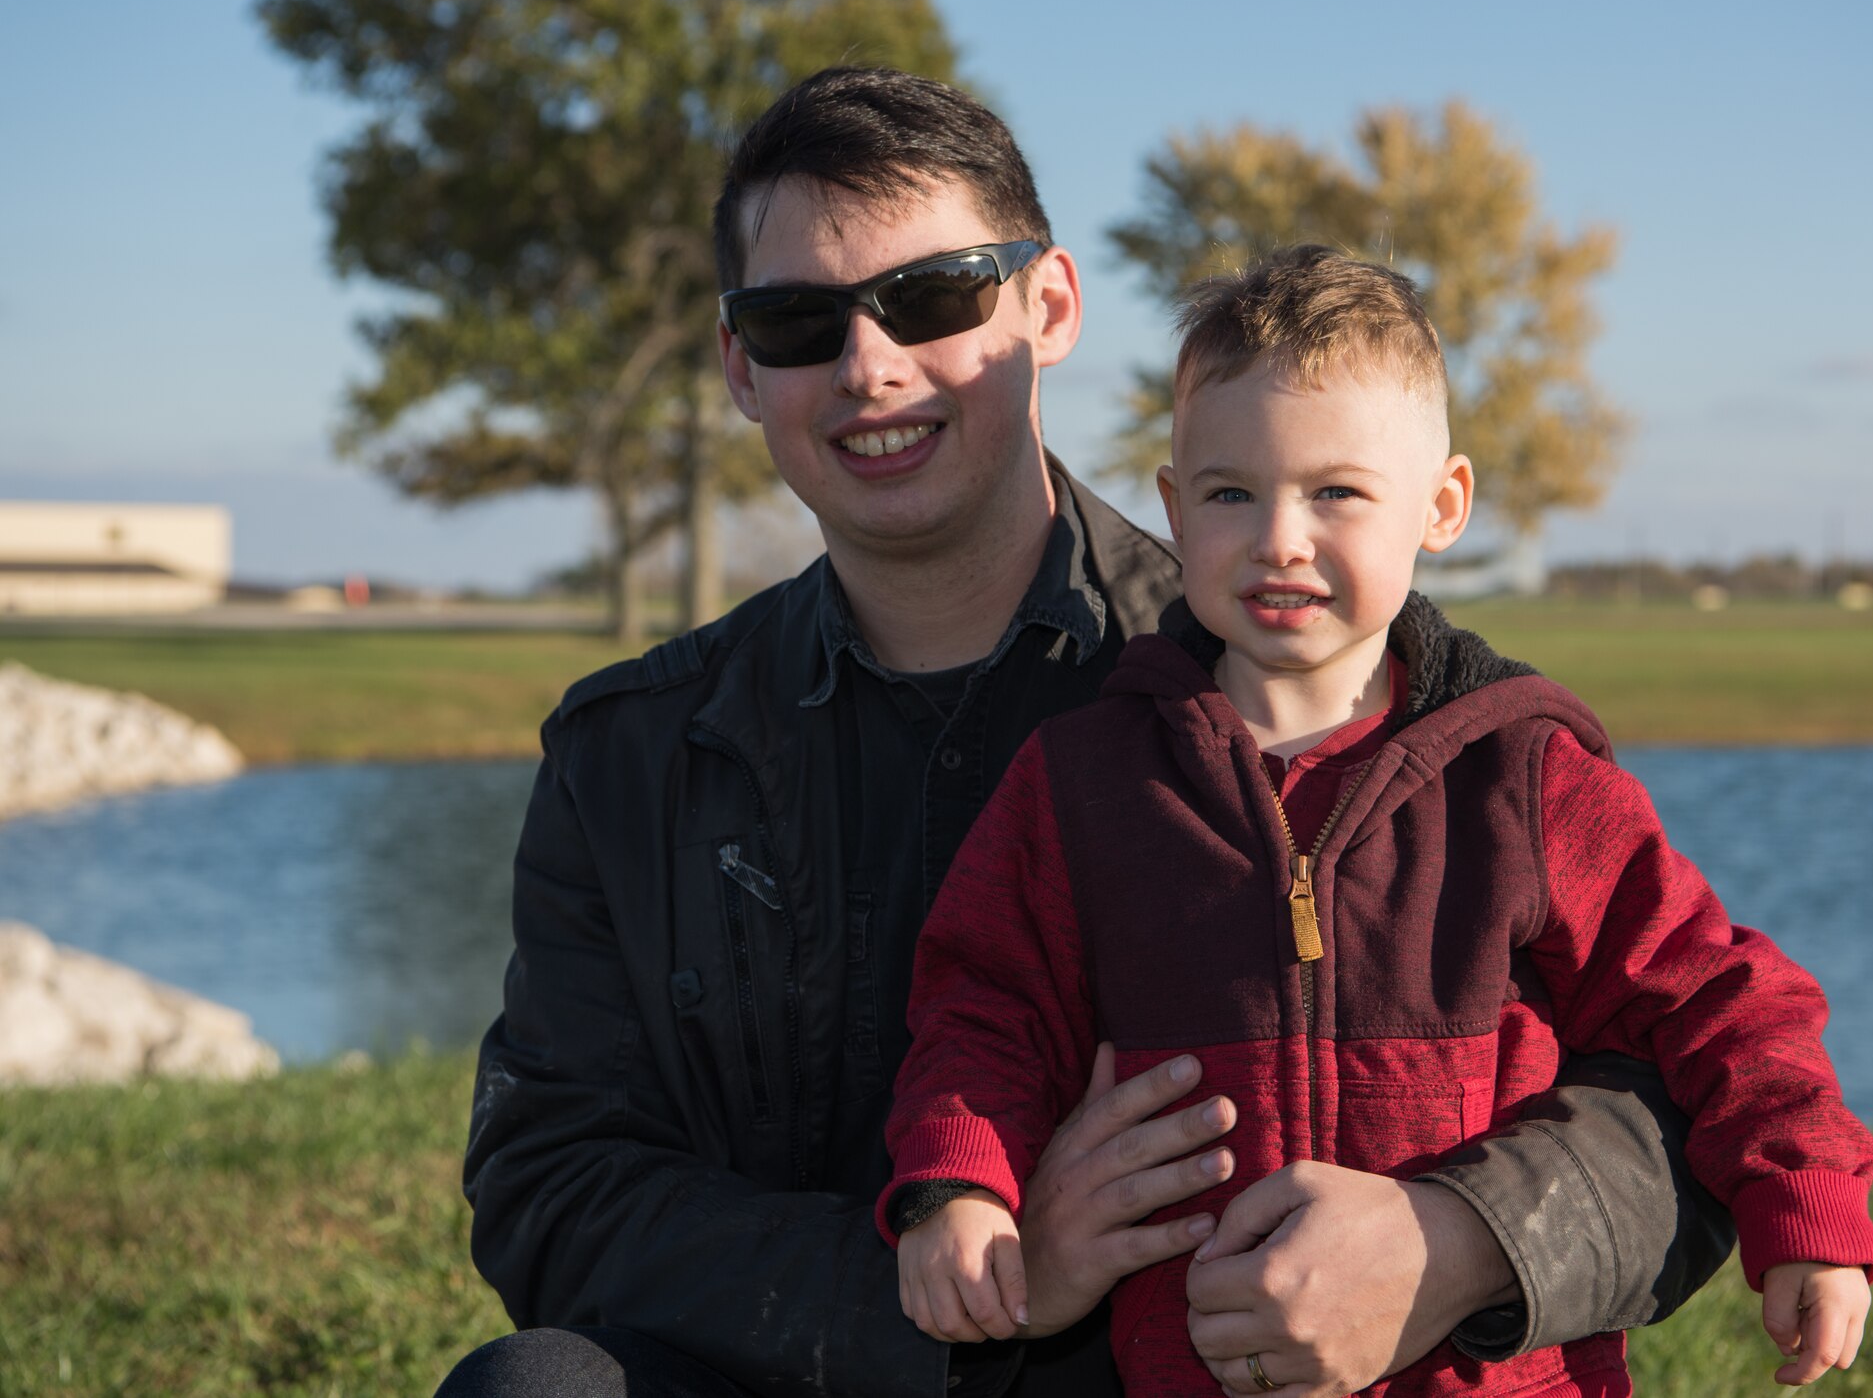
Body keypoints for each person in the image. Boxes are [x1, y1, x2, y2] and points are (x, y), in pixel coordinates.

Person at [439, 68, 1735, 1398]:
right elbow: (551, 1185)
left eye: (934, 297)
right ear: (738, 367)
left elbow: (1690, 1077)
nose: (867, 365)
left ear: (1047, 305)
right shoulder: (632, 756)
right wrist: (974, 1284)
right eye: (795, 321)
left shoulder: (1334, 691)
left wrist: (1454, 1239)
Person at [882, 247, 1873, 1396]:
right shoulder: (1085, 777)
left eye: (1335, 492)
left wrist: (1801, 1200)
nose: (1278, 539)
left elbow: (1712, 994)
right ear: (1170, 505)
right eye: (1229, 494)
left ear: (1440, 505)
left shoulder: (1521, 771)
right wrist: (958, 1184)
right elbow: (982, 1003)